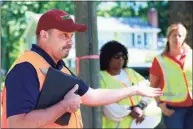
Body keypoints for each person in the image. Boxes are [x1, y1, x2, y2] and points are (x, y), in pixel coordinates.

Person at [1, 9, 163, 128]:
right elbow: (17, 124)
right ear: (44, 35)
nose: (70, 42)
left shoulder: (59, 68)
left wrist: (135, 90)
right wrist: (64, 106)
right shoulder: (25, 69)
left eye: (71, 36)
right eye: (64, 35)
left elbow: (94, 96)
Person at [100, 40, 162, 128]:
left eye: (123, 56)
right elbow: (105, 105)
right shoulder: (101, 77)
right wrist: (130, 111)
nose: (121, 59)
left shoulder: (131, 73)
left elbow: (148, 91)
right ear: (107, 58)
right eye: (117, 56)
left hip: (139, 124)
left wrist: (140, 107)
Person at [150, 23, 192, 128]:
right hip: (172, 110)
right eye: (174, 35)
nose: (177, 38)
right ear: (168, 37)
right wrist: (160, 105)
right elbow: (153, 86)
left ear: (184, 38)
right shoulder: (159, 60)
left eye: (180, 35)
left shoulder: (191, 56)